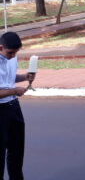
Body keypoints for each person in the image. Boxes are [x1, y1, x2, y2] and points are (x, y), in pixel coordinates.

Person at [0, 32, 35, 180]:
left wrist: (25, 77)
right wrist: (14, 90)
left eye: (15, 53)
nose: (13, 56)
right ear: (1, 47)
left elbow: (10, 77)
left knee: (17, 150)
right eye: (10, 53)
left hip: (13, 107)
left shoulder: (12, 57)